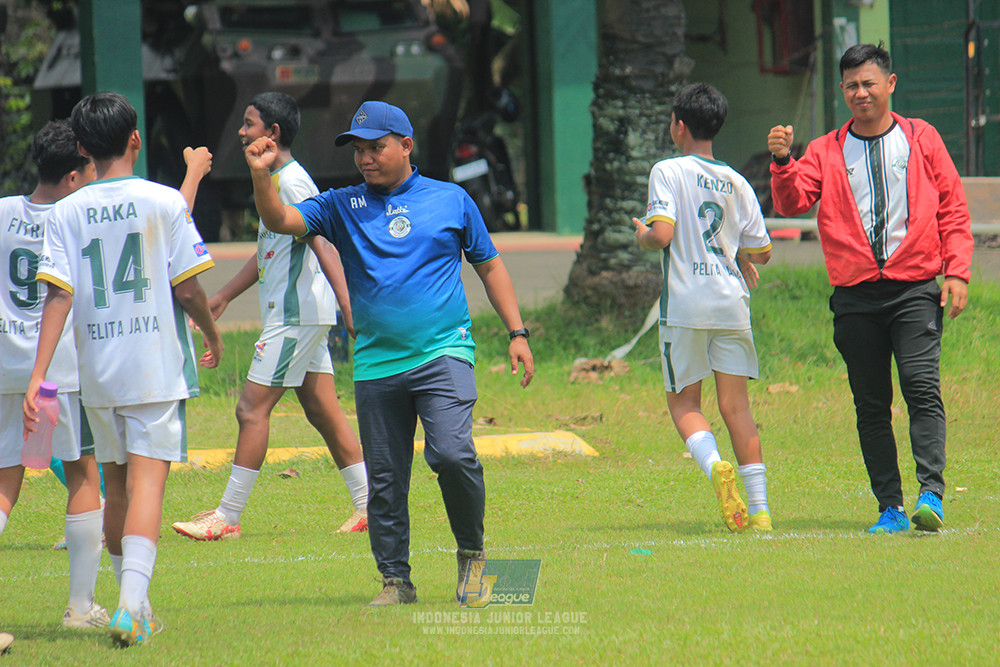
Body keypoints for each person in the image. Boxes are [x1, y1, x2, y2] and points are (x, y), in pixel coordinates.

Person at [242, 100, 534, 606]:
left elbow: (489, 266)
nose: (366, 159)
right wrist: (261, 176)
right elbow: (282, 218)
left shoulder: (451, 199)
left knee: (452, 453)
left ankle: (472, 554)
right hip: (377, 364)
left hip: (443, 353)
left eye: (376, 148)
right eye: (358, 150)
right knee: (385, 480)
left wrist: (517, 332)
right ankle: (396, 581)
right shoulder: (339, 205)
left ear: (406, 145)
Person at [23, 92, 223, 647]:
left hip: (99, 373)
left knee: (115, 487)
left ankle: (134, 603)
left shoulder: (65, 210)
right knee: (149, 484)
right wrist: (209, 330)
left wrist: (40, 375)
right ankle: (132, 607)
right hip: (154, 366)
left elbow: (56, 299)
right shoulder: (164, 201)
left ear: (82, 149)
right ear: (136, 139)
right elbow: (188, 286)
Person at [768, 43, 973, 534]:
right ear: (842, 90)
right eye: (852, 86)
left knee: (922, 388)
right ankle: (891, 507)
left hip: (916, 289)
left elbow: (952, 207)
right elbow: (794, 202)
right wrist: (783, 162)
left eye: (869, 83)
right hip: (856, 297)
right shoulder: (824, 149)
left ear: (891, 84)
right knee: (871, 403)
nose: (861, 93)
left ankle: (931, 495)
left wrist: (957, 271)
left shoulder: (921, 138)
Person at [171, 92, 368, 542]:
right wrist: (221, 296)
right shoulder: (275, 179)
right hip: (303, 316)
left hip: (296, 317)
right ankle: (369, 504)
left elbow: (324, 244)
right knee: (323, 412)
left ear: (272, 134)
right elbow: (269, 252)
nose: (241, 132)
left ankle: (228, 516)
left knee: (250, 408)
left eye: (249, 123)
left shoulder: (293, 184)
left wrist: (348, 304)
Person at [633, 83, 773, 533]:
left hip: (688, 302)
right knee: (737, 407)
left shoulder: (667, 170)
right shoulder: (737, 180)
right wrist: (739, 260)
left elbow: (663, 233)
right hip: (732, 303)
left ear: (679, 125)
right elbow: (763, 251)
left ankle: (715, 466)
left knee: (683, 402)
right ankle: (761, 510)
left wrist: (642, 234)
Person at [1, 120, 107, 629]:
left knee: (4, 481)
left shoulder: (0, 213)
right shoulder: (77, 220)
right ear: (71, 176)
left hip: (3, 368)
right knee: (83, 471)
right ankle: (81, 608)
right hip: (59, 371)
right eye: (86, 171)